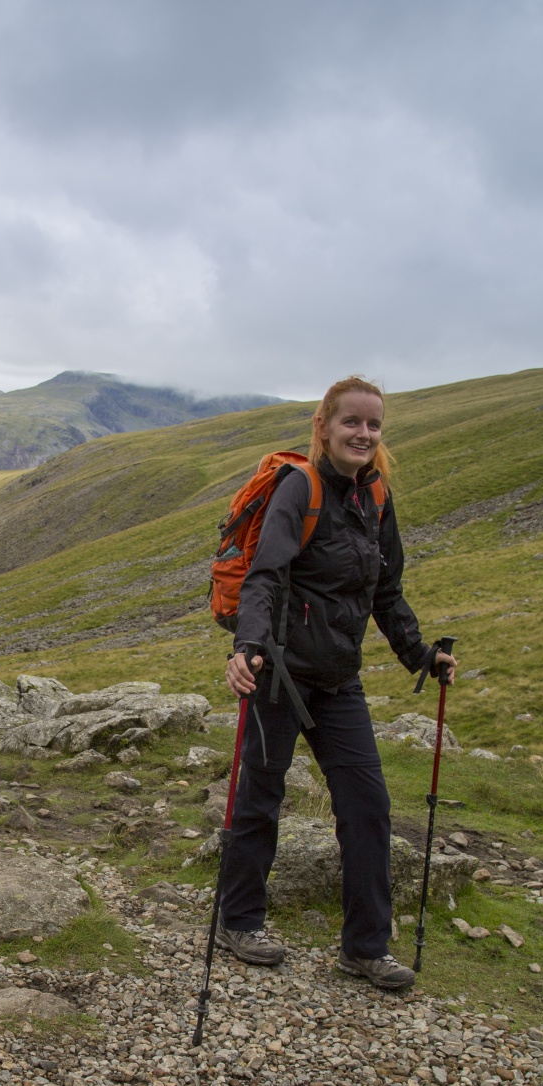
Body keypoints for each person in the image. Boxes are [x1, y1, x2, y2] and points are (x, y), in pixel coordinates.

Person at [219, 374, 456, 991]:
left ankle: (364, 948)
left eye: (374, 425)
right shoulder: (301, 489)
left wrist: (422, 655)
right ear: (324, 425)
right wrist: (247, 647)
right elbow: (265, 577)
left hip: (339, 681)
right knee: (260, 800)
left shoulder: (376, 498)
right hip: (278, 675)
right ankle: (239, 921)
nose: (363, 433)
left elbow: (386, 592)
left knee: (367, 804)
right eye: (352, 421)